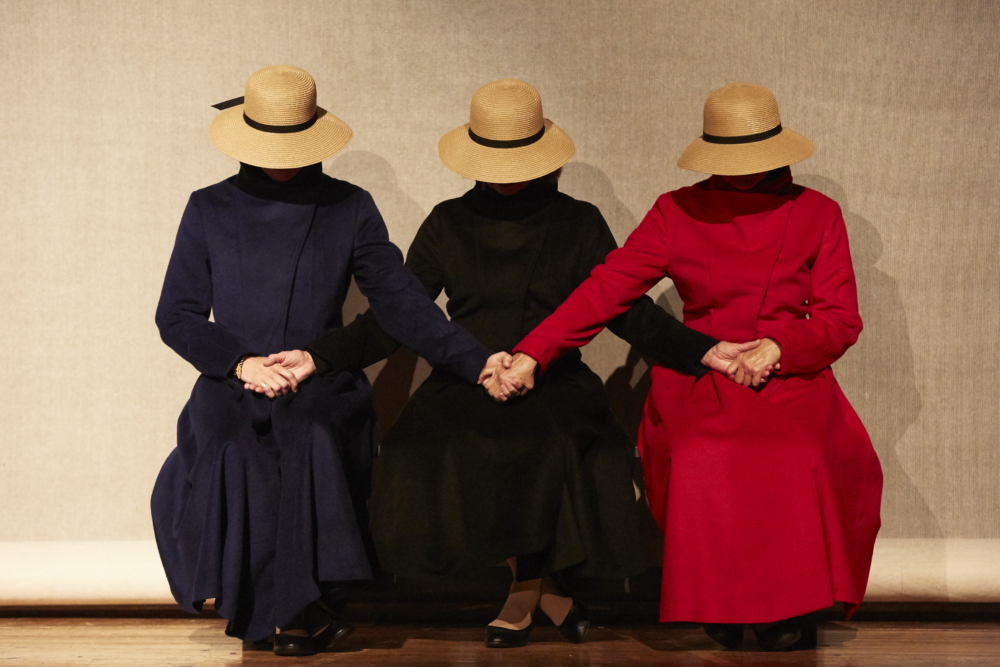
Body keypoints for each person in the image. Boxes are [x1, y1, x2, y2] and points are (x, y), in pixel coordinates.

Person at [267, 79, 754, 649]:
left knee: (549, 441)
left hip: (555, 377)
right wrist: (320, 357)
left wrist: (701, 350)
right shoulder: (448, 221)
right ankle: (549, 594)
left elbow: (626, 310)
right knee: (417, 447)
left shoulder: (579, 221)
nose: (507, 170)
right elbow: (398, 314)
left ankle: (526, 592)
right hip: (466, 375)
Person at [498, 83, 883, 651]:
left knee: (799, 452)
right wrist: (536, 349)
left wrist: (780, 346)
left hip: (790, 373)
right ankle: (720, 600)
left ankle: (793, 605)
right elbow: (606, 287)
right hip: (702, 373)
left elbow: (839, 318)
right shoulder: (675, 210)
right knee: (704, 452)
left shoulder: (818, 214)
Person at [151, 65, 509, 657]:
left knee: (308, 432)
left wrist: (475, 362)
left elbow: (401, 302)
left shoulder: (349, 206)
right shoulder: (208, 207)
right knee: (235, 443)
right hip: (232, 378)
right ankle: (286, 610)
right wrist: (242, 365)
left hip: (318, 377)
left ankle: (289, 614)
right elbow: (177, 316)